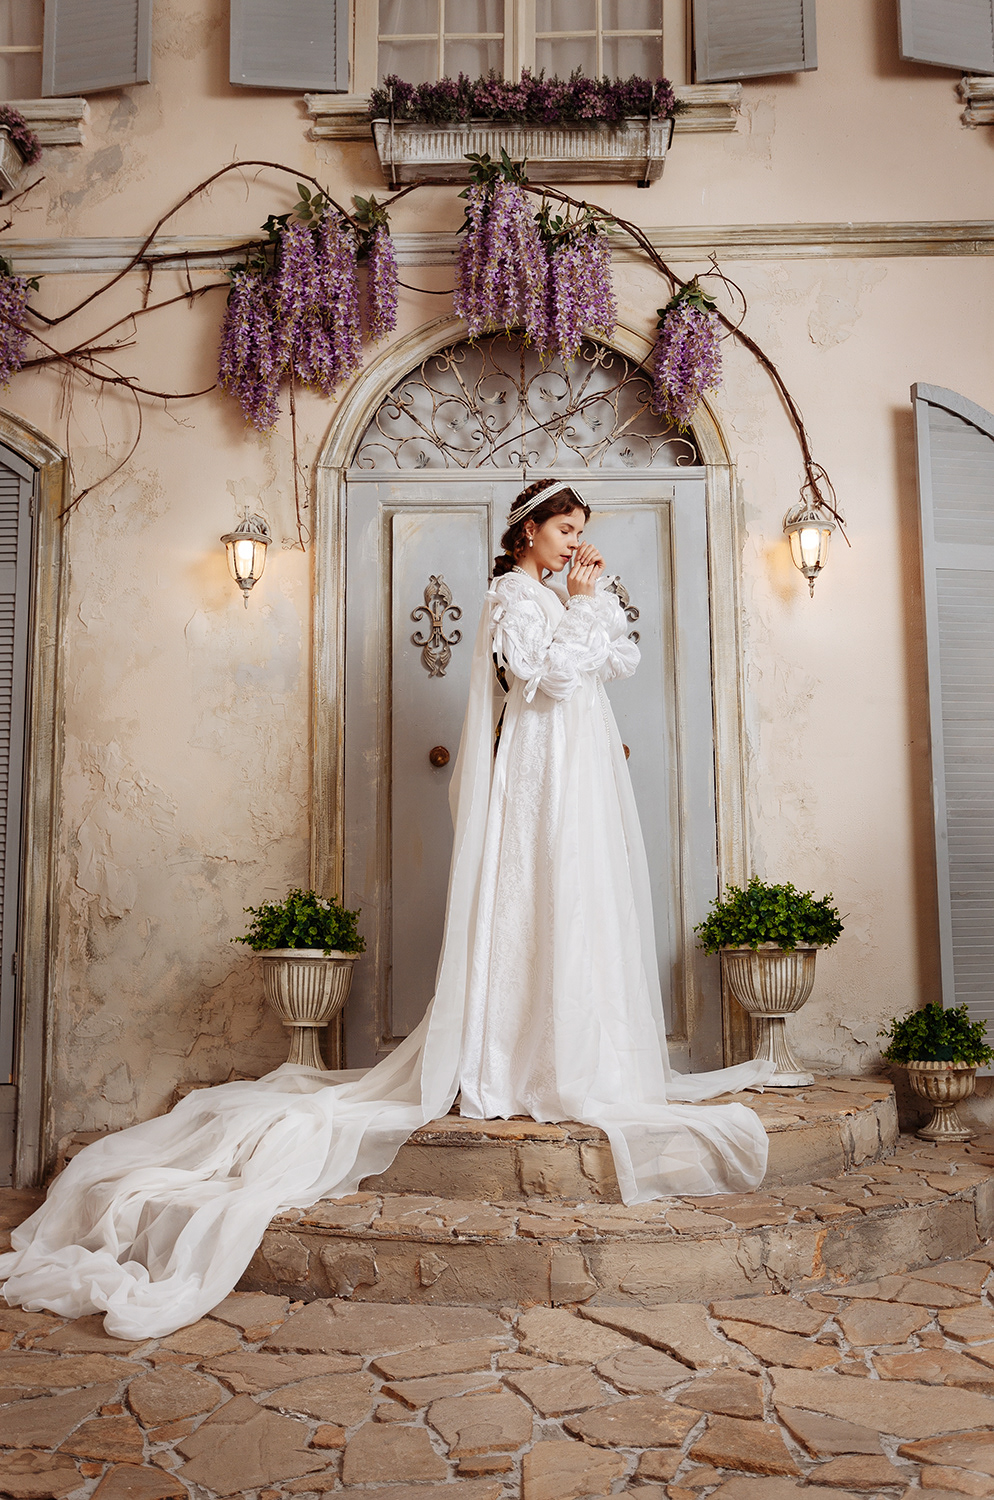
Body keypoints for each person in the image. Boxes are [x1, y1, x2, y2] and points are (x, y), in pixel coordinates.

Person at [0, 478, 772, 1339]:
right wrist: (583, 607)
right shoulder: (511, 597)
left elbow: (616, 662)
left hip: (579, 766)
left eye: (580, 531)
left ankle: (573, 1048)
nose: (573, 542)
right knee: (538, 893)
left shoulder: (559, 596)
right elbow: (543, 679)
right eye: (563, 528)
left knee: (582, 898)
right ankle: (513, 1058)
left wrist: (593, 602)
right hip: (542, 768)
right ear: (526, 532)